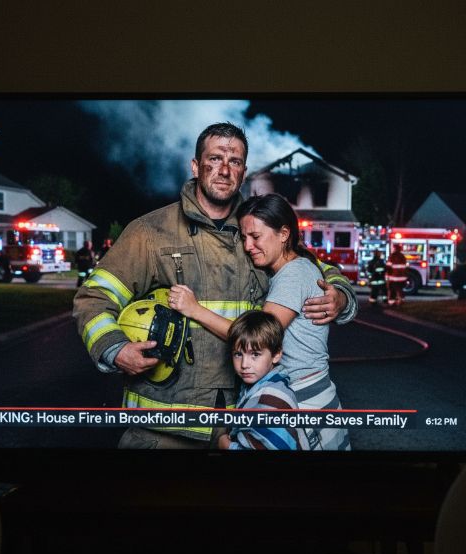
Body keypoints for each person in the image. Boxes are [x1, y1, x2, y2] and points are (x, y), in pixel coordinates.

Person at [73, 122, 357, 449]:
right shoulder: (151, 232)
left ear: (243, 172)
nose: (224, 170)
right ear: (196, 166)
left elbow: (309, 265)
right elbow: (94, 297)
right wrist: (115, 349)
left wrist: (341, 297)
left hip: (242, 423)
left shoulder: (255, 227)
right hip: (165, 427)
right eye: (214, 159)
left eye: (234, 161)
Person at [169, 192, 350, 450]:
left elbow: (257, 337)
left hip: (304, 401)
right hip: (296, 395)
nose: (248, 246)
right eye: (244, 238)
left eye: (256, 236)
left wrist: (194, 309)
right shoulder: (288, 269)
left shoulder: (293, 274)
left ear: (284, 234)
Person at [219, 310, 299, 451]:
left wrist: (227, 446)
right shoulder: (256, 387)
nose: (244, 364)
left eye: (255, 354)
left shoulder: (271, 399)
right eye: (238, 354)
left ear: (276, 354)